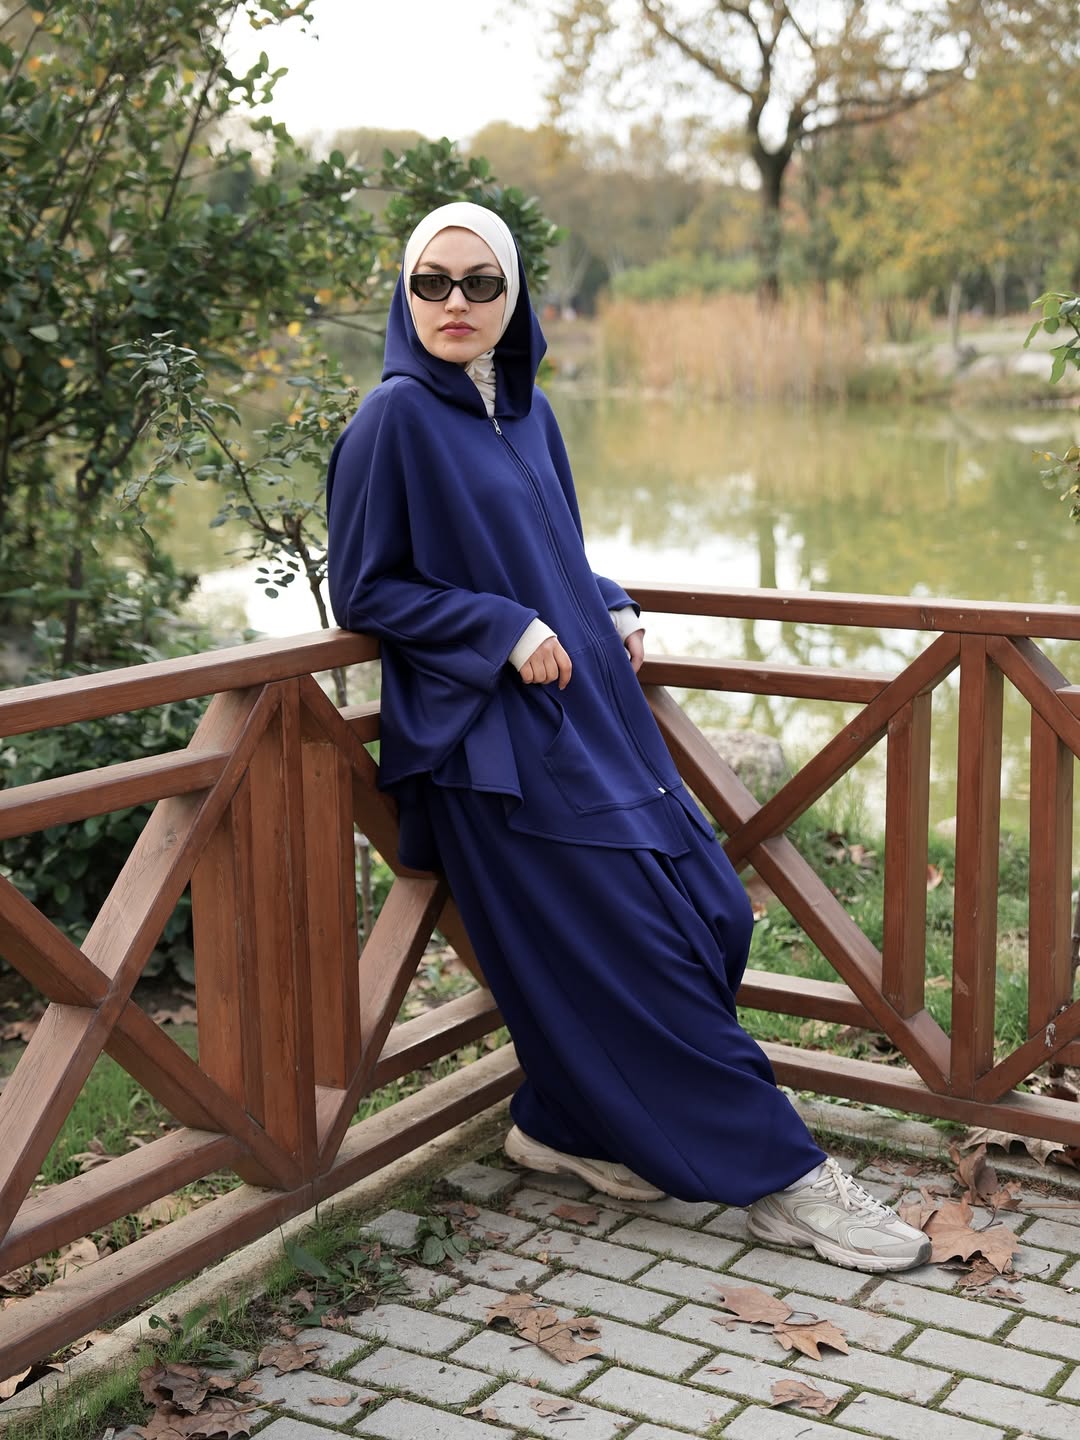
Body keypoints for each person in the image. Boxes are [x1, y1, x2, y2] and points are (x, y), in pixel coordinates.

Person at [326, 201, 931, 1274]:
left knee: (709, 910)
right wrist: (500, 628)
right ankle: (784, 1181)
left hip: (586, 715)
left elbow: (550, 542)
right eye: (432, 283)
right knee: (640, 949)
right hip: (491, 746)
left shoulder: (529, 413)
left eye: (481, 282)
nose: (456, 302)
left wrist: (604, 597)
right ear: (405, 295)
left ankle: (566, 1124)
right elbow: (365, 588)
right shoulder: (393, 419)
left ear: (515, 297)